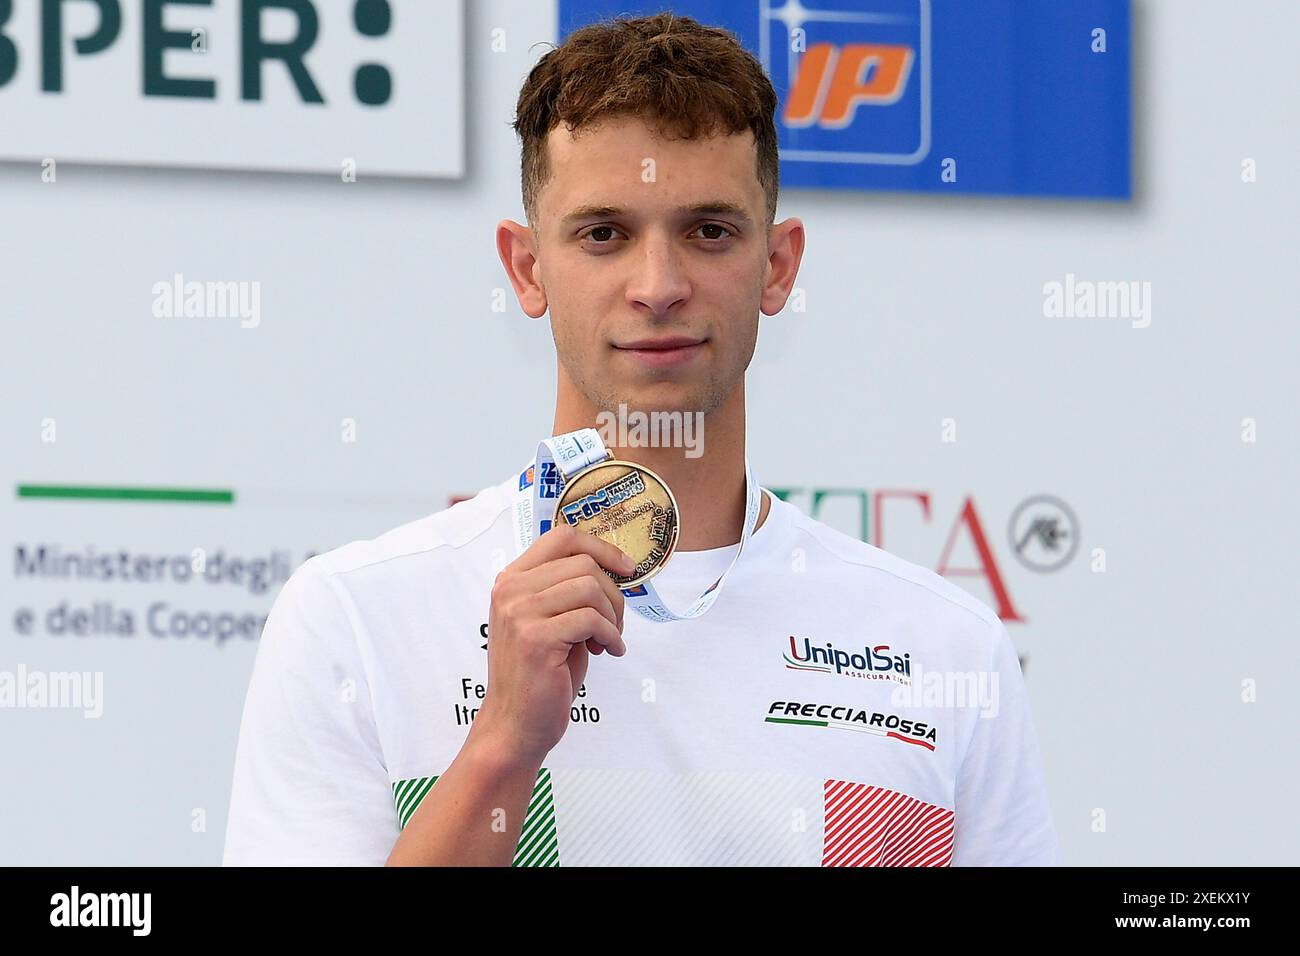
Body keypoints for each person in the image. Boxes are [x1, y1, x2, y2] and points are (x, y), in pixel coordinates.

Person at [222, 12, 1058, 867]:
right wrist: (502, 748)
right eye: (604, 234)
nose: (658, 286)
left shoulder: (942, 645)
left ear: (778, 267)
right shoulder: (359, 618)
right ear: (527, 268)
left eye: (709, 231)